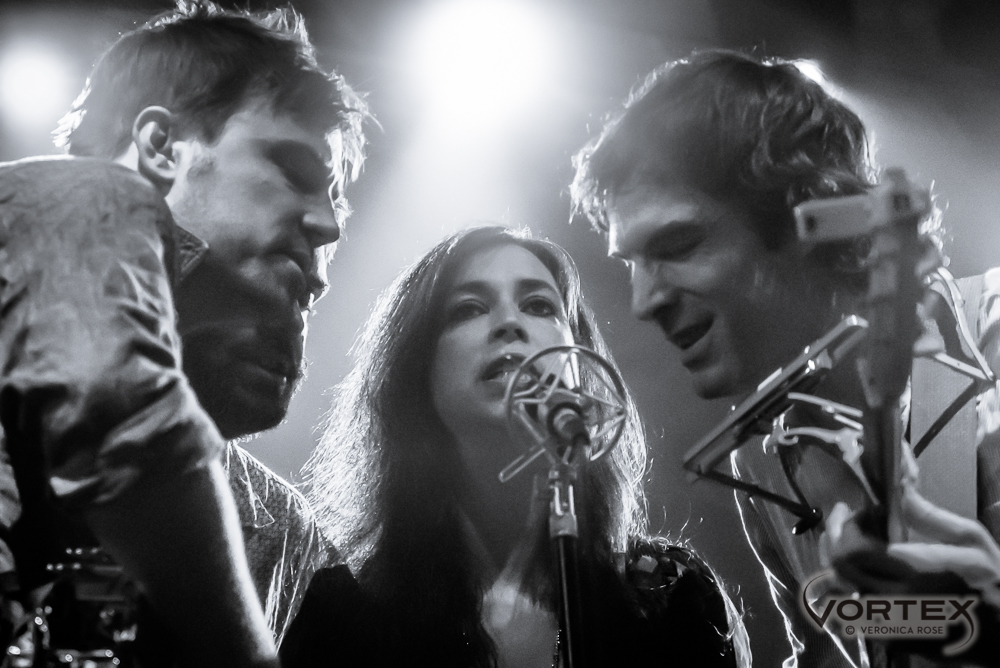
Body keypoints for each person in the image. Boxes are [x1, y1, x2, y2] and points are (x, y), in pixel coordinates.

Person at [570, 49, 1000, 667]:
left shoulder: (990, 340)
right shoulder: (761, 458)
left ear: (808, 215)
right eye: (632, 263)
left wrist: (973, 624)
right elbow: (826, 652)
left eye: (680, 243)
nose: (644, 302)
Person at [0, 1, 368, 665]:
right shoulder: (69, 200)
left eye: (335, 199)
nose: (329, 225)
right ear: (161, 147)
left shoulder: (282, 531)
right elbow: (127, 426)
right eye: (299, 172)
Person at [279, 225, 751, 668]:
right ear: (415, 371)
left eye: (540, 306)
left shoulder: (672, 596)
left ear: (580, 363)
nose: (509, 323)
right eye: (468, 309)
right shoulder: (342, 616)